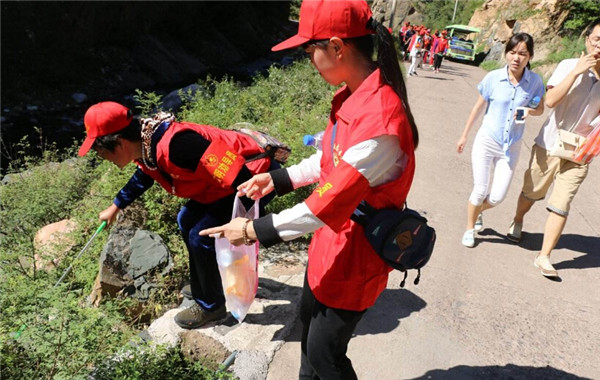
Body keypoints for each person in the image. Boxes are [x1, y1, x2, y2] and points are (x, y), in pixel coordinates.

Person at [200, 1, 419, 378]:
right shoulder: (353, 95)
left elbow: (323, 205)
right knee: (308, 339)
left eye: (309, 50)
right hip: (331, 245)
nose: (309, 60)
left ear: (336, 47)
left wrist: (251, 231)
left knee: (325, 356)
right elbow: (330, 160)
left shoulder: (381, 119)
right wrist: (278, 178)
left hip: (356, 254)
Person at [77, 101, 276, 328]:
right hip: (220, 184)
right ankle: (206, 282)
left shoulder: (179, 145)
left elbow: (234, 170)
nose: (106, 161)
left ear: (120, 143)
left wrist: (245, 216)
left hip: (253, 178)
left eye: (102, 153)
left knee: (200, 236)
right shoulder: (144, 144)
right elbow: (145, 174)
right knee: (185, 220)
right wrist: (116, 206)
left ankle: (211, 305)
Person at [506, 19, 600, 278]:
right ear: (587, 40)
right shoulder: (569, 66)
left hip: (580, 153)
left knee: (562, 202)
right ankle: (518, 219)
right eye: (597, 40)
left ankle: (544, 256)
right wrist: (578, 72)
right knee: (532, 191)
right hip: (550, 143)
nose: (599, 46)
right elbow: (550, 101)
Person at [457, 33, 545, 248]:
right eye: (512, 52)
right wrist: (464, 135)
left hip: (511, 145)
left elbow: (539, 108)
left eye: (522, 54)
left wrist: (528, 112)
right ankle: (470, 229)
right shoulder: (493, 78)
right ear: (506, 53)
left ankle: (478, 211)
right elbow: (478, 107)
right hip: (487, 140)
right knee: (480, 189)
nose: (516, 58)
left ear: (530, 56)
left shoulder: (534, 82)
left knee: (497, 197)